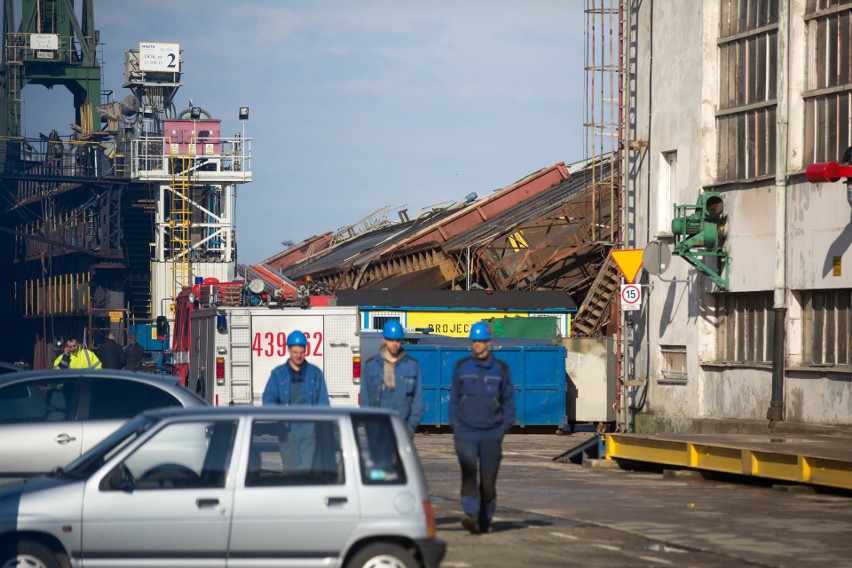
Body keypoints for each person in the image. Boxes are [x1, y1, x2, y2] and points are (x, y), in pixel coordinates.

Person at [448, 321, 516, 535]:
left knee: (488, 479)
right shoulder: (461, 367)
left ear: (488, 342)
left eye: (481, 341)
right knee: (469, 473)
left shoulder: (501, 370)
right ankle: (470, 513)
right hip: (466, 431)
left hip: (491, 433)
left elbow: (509, 402)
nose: (477, 345)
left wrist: (501, 429)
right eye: (474, 341)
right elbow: (453, 399)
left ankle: (484, 519)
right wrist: (456, 427)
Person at [262, 330, 330, 471]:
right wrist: (277, 412)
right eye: (295, 352)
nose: (298, 356)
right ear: (288, 350)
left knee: (307, 470)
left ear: (305, 350)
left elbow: (323, 403)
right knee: (291, 471)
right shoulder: (278, 374)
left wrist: (323, 425)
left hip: (309, 430)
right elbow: (268, 399)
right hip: (287, 432)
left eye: (301, 352)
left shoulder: (315, 373)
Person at [360, 320, 424, 438]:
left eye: (398, 340)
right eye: (390, 339)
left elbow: (418, 401)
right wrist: (370, 428)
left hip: (403, 430)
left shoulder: (412, 366)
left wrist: (410, 428)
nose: (394, 343)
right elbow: (365, 400)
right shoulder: (371, 366)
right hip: (377, 431)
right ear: (384, 339)